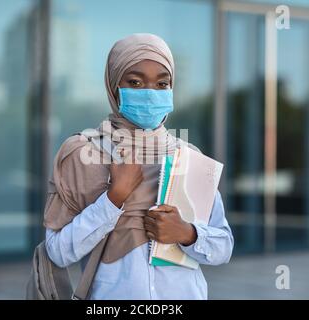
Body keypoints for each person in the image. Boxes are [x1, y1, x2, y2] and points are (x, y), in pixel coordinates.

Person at [43, 33, 233, 300]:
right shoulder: (84, 153)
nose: (150, 93)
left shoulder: (188, 156)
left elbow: (223, 245)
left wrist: (187, 233)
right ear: (114, 86)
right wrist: (112, 200)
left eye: (162, 83)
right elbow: (58, 252)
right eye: (135, 82)